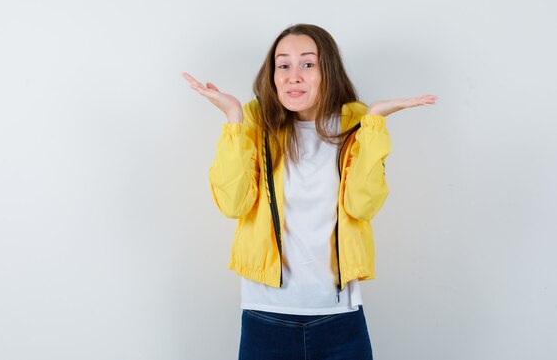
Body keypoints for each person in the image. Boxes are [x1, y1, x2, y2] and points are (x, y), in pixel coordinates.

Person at [182, 23, 436, 360]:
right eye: (283, 65)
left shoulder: (356, 123)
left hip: (340, 317)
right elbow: (233, 203)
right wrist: (233, 119)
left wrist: (374, 121)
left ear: (327, 70)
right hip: (265, 315)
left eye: (308, 64)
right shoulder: (255, 120)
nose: (293, 76)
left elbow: (362, 206)